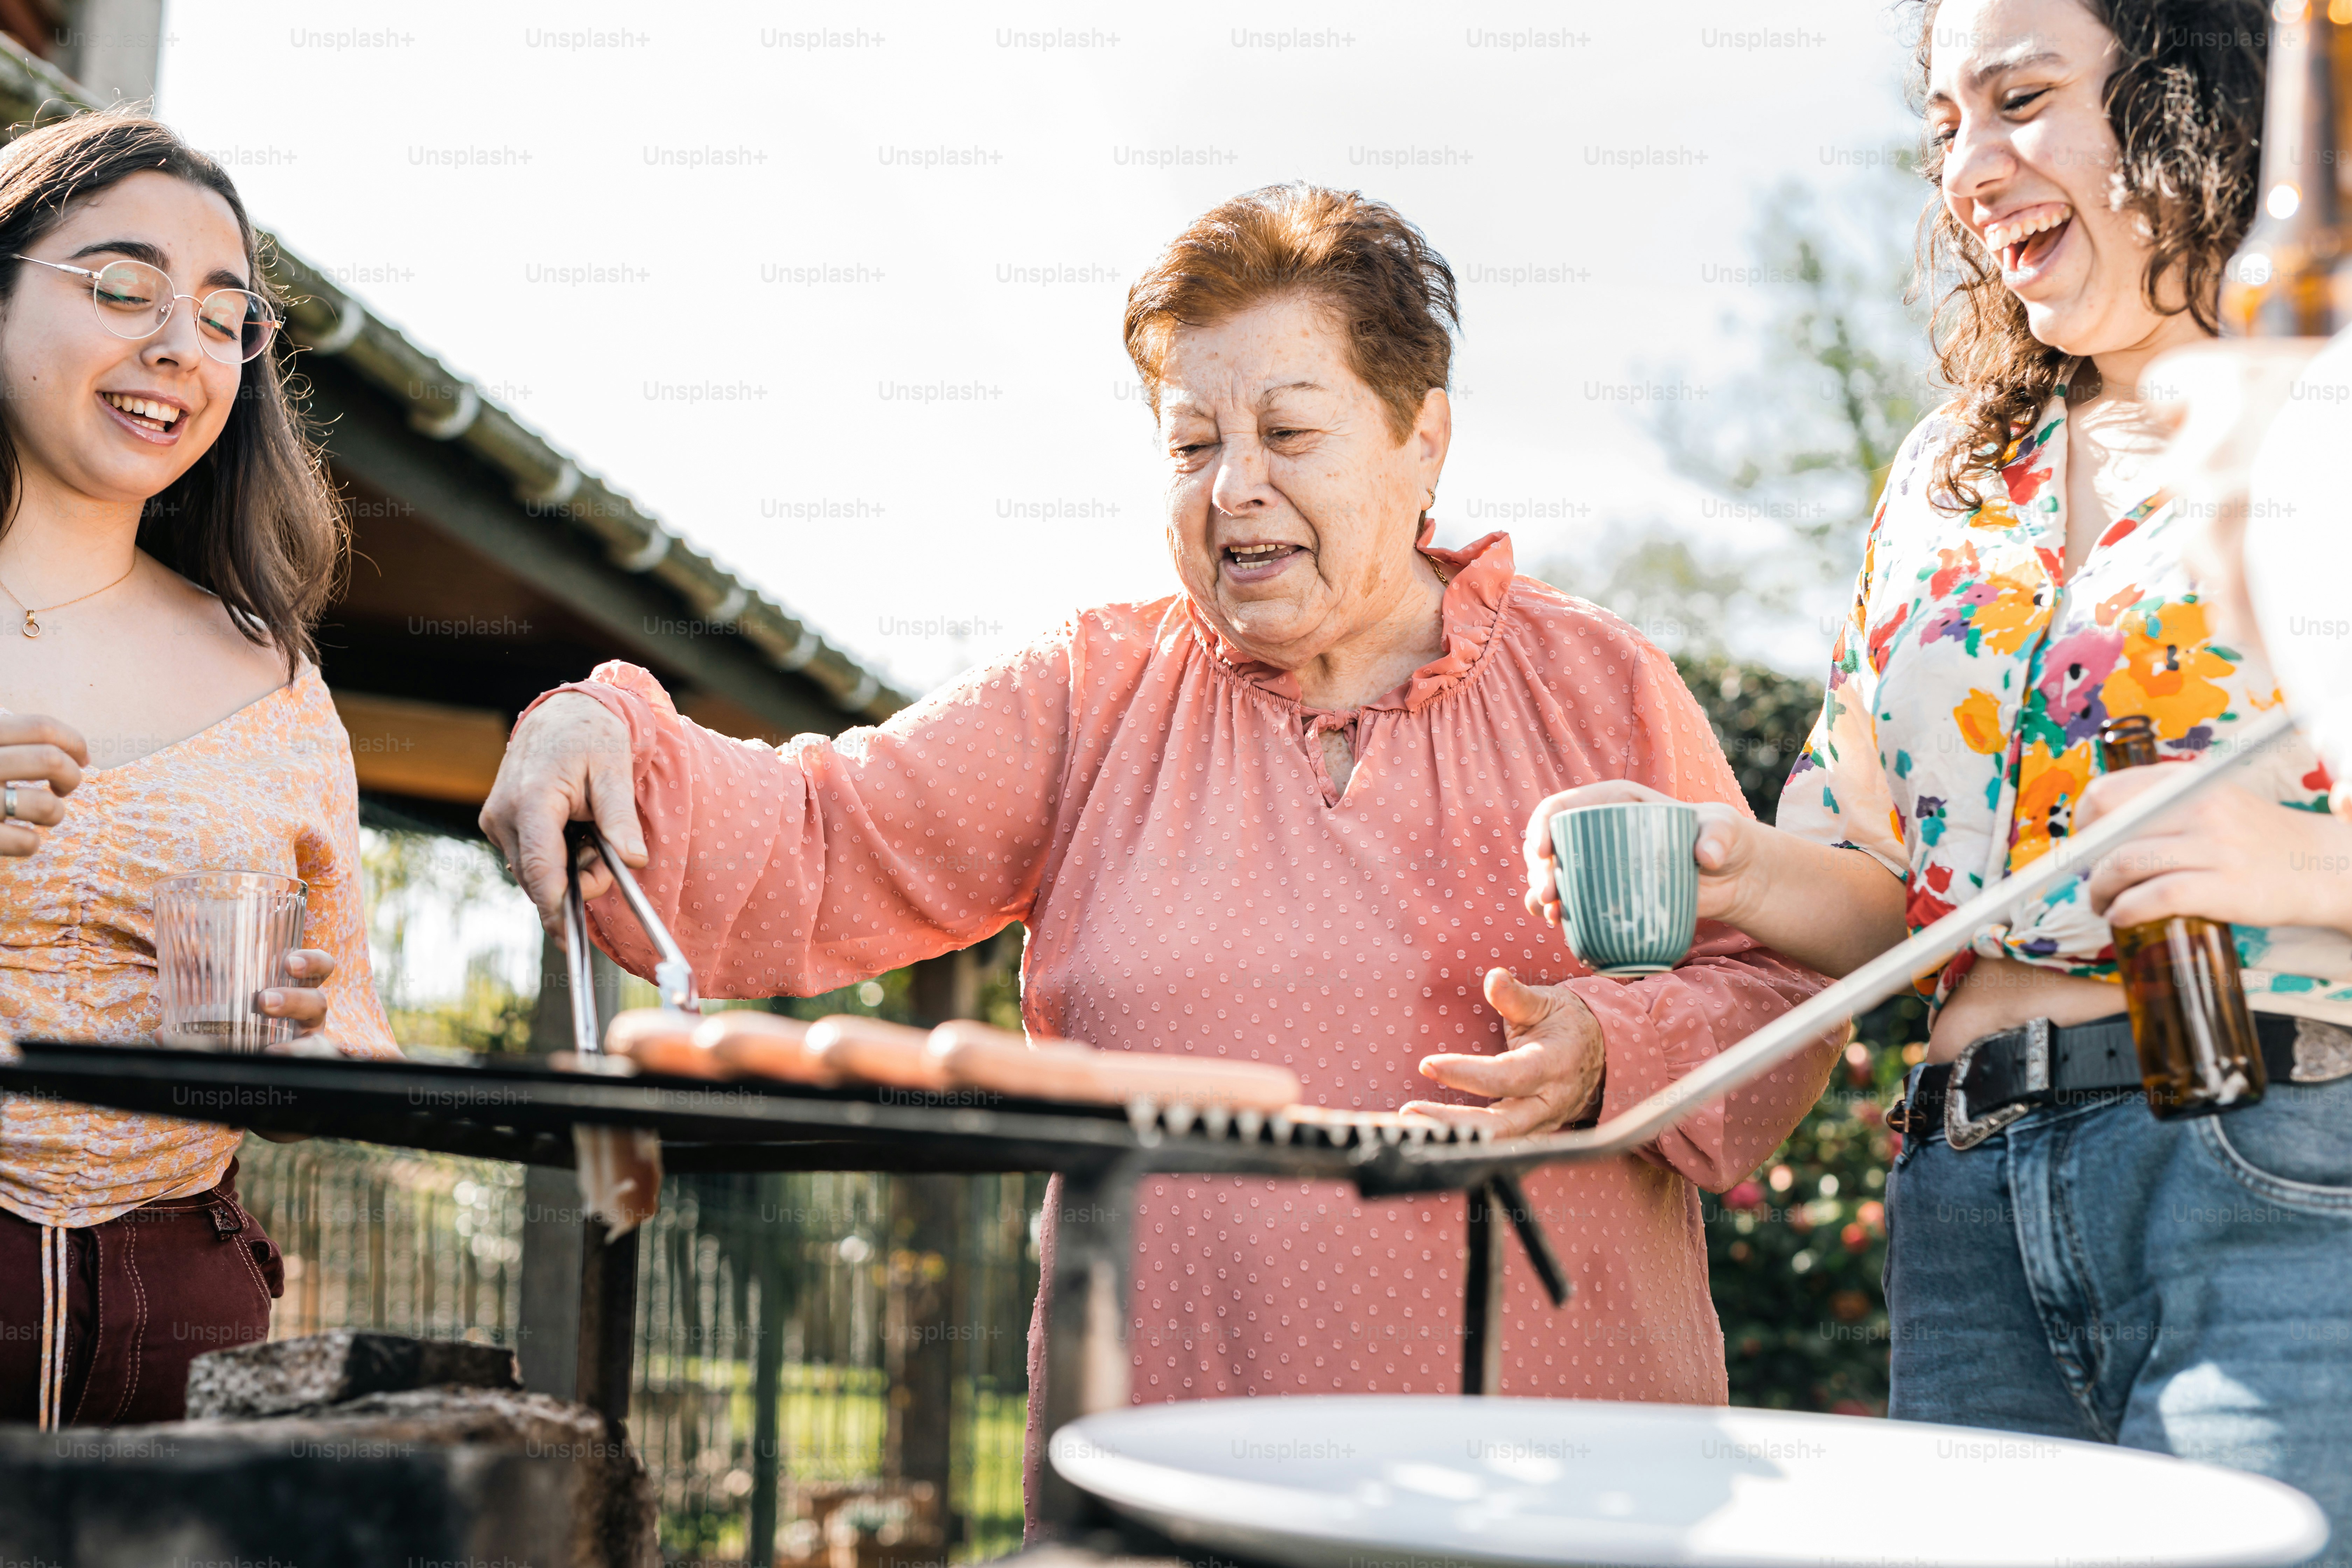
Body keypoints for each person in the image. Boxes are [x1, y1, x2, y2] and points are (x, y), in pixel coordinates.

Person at [483, 184, 1840, 1522]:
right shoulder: (1094, 693)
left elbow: (1781, 992)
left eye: (1290, 432)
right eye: (1192, 445)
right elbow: (824, 830)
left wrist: (1610, 1049)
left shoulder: (1596, 685)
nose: (1235, 487)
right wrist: (604, 726)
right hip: (1170, 1470)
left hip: (1560, 1489)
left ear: (1421, 441)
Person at [1522, 0, 2352, 1546]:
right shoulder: (1949, 474)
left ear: (2192, 94)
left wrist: (2310, 871)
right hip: (1968, 1202)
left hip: (2278, 1171)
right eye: (1941, 128)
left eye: (2021, 98)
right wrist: (1726, 860)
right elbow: (1882, 883)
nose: (1969, 167)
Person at [0, 110, 398, 1428]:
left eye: (225, 317)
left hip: (184, 1328)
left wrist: (300, 1046)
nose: (179, 343)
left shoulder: (274, 683)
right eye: (120, 288)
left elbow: (341, 1036)